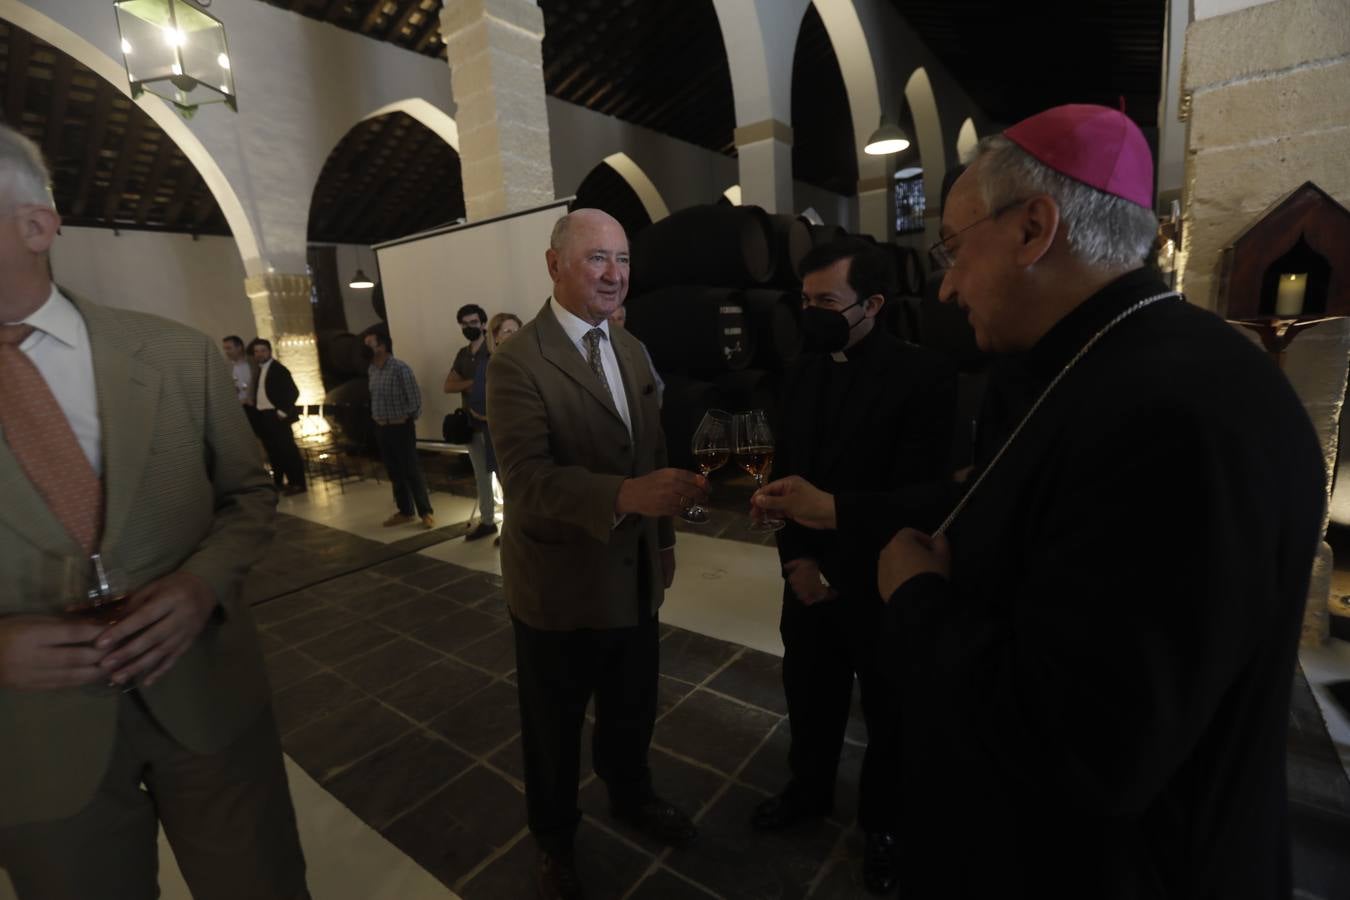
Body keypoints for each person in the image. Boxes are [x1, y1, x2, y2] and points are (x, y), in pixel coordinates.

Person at [754, 104, 1325, 899]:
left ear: (1033, 228)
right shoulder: (1097, 367)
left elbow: (1087, 744)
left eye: (953, 248)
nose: (947, 286)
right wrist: (838, 516)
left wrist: (917, 597)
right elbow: (987, 499)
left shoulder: (1178, 413)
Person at [0, 124, 309, 899]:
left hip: (205, 700)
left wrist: (200, 584)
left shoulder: (176, 356)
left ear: (34, 225)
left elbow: (247, 496)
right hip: (33, 749)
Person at [487, 209, 709, 900]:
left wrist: (665, 537)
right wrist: (628, 495)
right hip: (559, 585)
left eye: (622, 260)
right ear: (555, 265)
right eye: (596, 260)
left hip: (636, 574)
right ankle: (554, 841)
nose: (615, 275)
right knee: (552, 731)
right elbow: (525, 478)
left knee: (631, 706)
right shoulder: (517, 361)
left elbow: (653, 452)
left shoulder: (631, 349)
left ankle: (631, 794)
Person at [750, 238, 956, 894]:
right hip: (807, 580)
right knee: (808, 695)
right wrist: (797, 561)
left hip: (882, 584)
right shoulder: (805, 368)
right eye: (805, 300)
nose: (811, 314)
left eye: (826, 302)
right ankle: (808, 791)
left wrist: (839, 545)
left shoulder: (924, 377)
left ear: (871, 304)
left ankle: (884, 826)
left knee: (891, 714)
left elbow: (925, 499)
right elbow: (787, 473)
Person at [364, 328, 434, 530]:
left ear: (382, 346)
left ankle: (425, 512)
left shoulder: (399, 368)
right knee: (394, 471)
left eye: (370, 343)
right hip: (381, 428)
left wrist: (406, 417)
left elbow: (414, 399)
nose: (366, 348)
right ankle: (405, 511)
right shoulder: (372, 369)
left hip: (401, 428)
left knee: (411, 469)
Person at [443, 302, 496, 540]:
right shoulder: (463, 354)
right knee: (480, 475)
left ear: (483, 324)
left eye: (473, 323)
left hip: (495, 421)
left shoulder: (492, 348)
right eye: (464, 324)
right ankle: (487, 520)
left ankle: (517, 522)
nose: (469, 327)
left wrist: (469, 383)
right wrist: (474, 383)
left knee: (505, 474)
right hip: (472, 423)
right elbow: (448, 385)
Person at [250, 337, 307, 496]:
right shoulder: (260, 370)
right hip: (264, 415)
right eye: (256, 352)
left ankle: (298, 483)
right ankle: (281, 482)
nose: (259, 354)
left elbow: (293, 392)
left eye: (262, 351)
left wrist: (282, 411)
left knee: (287, 449)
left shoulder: (279, 369)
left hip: (277, 415)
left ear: (269, 352)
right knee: (274, 451)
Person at [607, 303, 664, 407]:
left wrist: (653, 414)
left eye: (619, 319)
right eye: (610, 319)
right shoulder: (597, 347)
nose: (615, 324)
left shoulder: (637, 346)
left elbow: (656, 384)